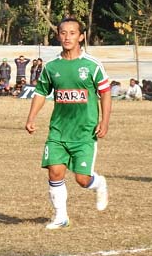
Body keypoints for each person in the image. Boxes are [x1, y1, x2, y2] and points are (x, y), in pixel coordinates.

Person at [24, 17, 111, 230]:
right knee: (55, 172)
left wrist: (105, 121)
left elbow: (105, 93)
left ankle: (99, 183)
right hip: (58, 131)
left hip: (84, 132)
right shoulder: (52, 67)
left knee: (82, 180)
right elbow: (41, 92)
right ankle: (61, 217)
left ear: (81, 37)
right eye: (63, 33)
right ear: (58, 36)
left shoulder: (91, 65)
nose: (67, 37)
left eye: (72, 33)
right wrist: (31, 118)